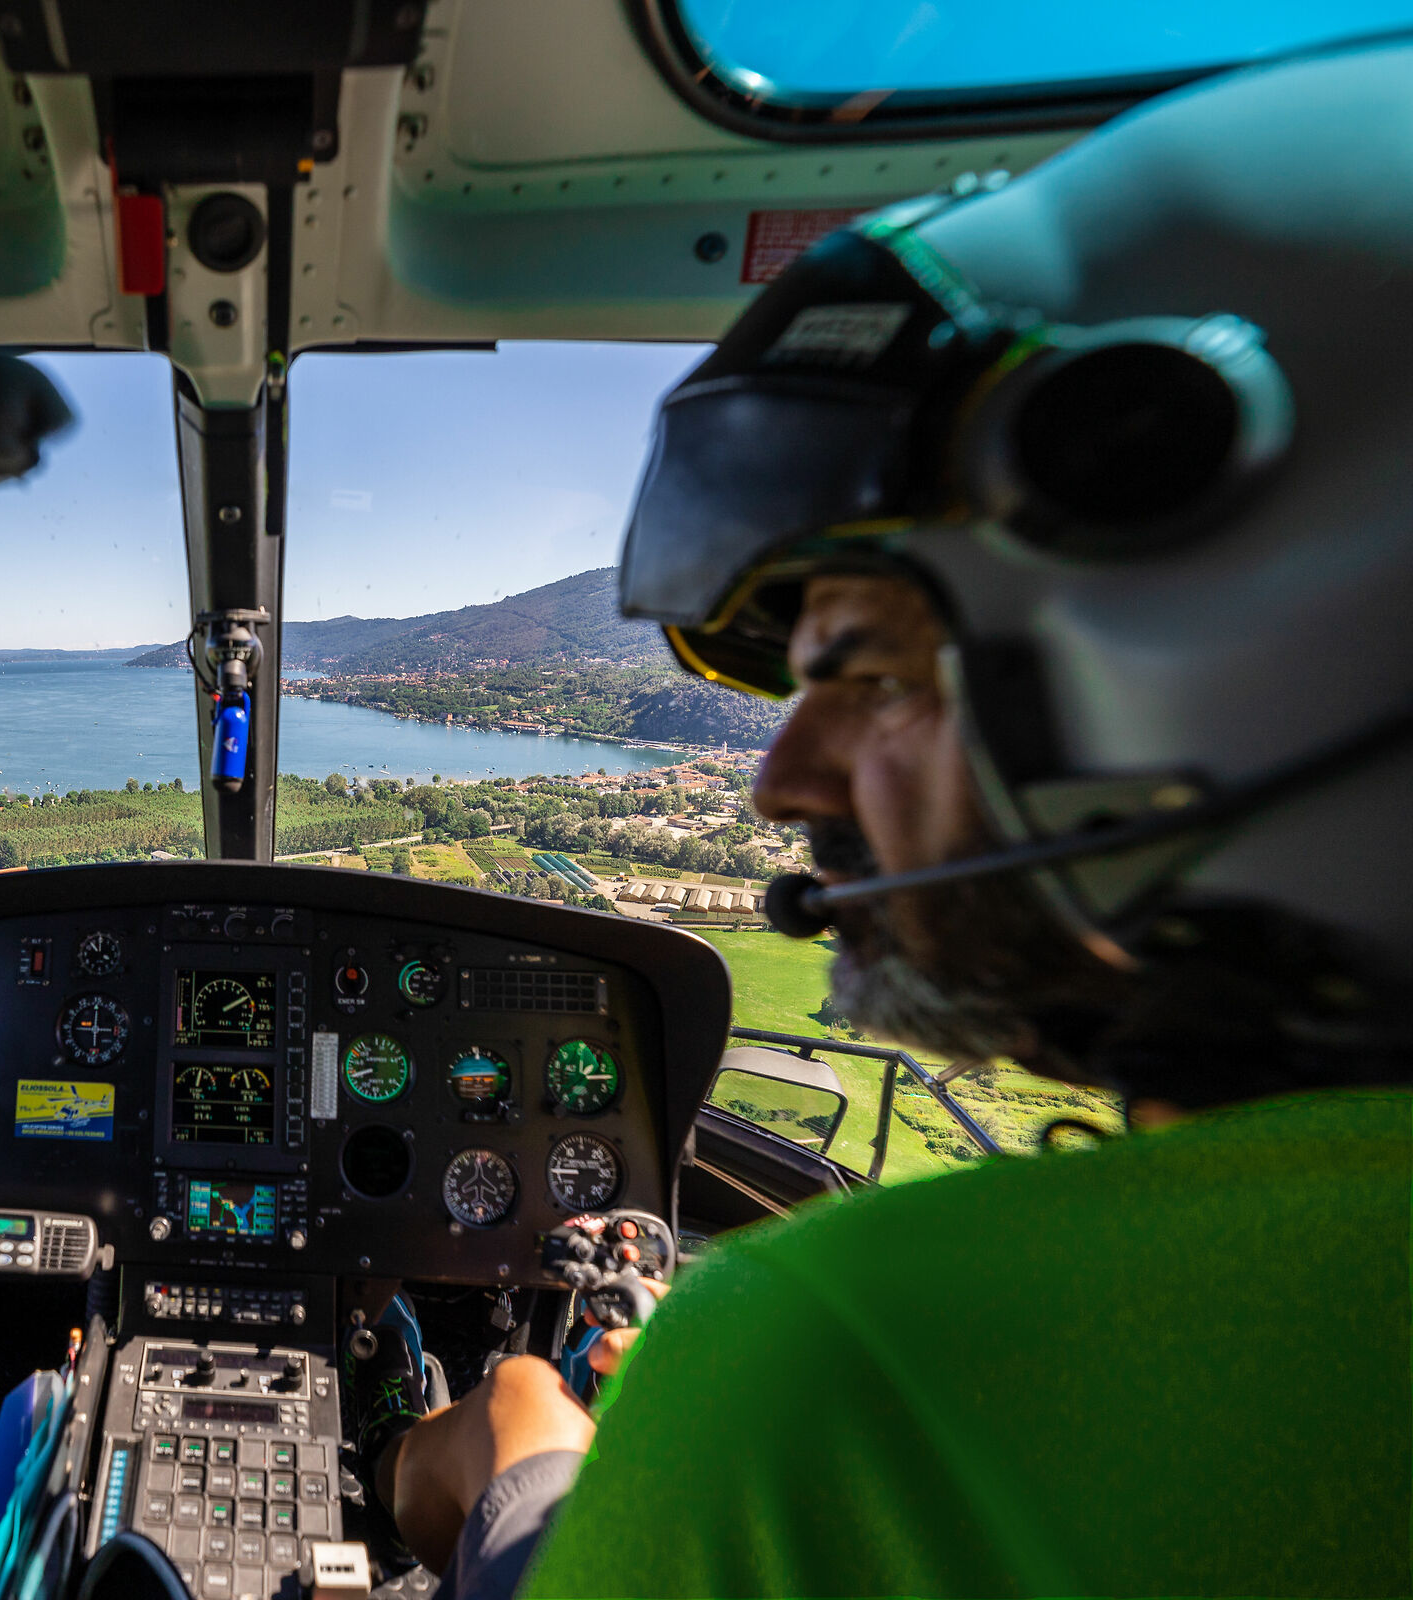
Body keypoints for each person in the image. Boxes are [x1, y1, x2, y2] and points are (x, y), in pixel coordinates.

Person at [373, 37, 1413, 1600]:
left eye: (864, 670)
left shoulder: (856, 1362)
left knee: (504, 1414)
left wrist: (534, 1449)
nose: (785, 784)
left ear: (1241, 650)